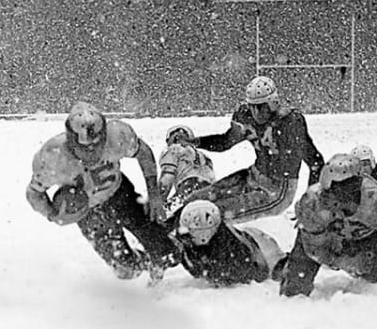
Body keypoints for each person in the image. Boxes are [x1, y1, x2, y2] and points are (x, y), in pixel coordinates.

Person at [26, 101, 177, 281]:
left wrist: (154, 195)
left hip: (120, 194)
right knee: (126, 270)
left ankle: (172, 245)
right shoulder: (53, 156)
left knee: (167, 253)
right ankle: (141, 261)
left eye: (96, 145)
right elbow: (34, 192)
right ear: (71, 140)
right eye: (83, 148)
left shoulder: (118, 135)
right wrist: (52, 213)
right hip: (87, 212)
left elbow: (143, 153)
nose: (91, 153)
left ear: (105, 135)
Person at [279, 153, 377, 297]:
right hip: (322, 242)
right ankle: (283, 266)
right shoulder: (312, 204)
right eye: (335, 191)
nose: (341, 197)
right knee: (295, 289)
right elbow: (314, 250)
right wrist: (343, 261)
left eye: (347, 189)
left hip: (363, 240)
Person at [188, 75, 325, 223]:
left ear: (273, 103)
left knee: (212, 214)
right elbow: (226, 141)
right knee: (196, 200)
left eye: (260, 107)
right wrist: (196, 141)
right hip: (252, 176)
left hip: (277, 189)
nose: (255, 112)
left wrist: (310, 205)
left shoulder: (289, 122)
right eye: (252, 106)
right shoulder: (245, 116)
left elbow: (315, 162)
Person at [171, 199, 285, 287]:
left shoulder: (230, 259)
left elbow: (252, 273)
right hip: (250, 239)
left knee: (278, 271)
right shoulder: (189, 238)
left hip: (262, 250)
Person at [158, 124, 215, 217]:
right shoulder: (204, 157)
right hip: (210, 192)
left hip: (189, 189)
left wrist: (158, 202)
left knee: (163, 220)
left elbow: (166, 179)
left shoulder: (173, 150)